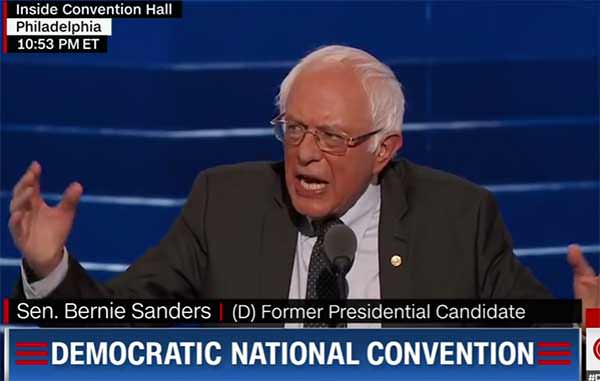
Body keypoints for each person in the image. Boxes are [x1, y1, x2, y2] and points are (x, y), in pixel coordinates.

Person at [8, 45, 599, 326]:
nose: (306, 154)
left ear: (384, 150)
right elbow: (109, 331)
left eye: (333, 138)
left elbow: (543, 348)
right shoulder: (226, 205)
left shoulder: (459, 219)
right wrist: (49, 268)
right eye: (294, 130)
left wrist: (591, 330)